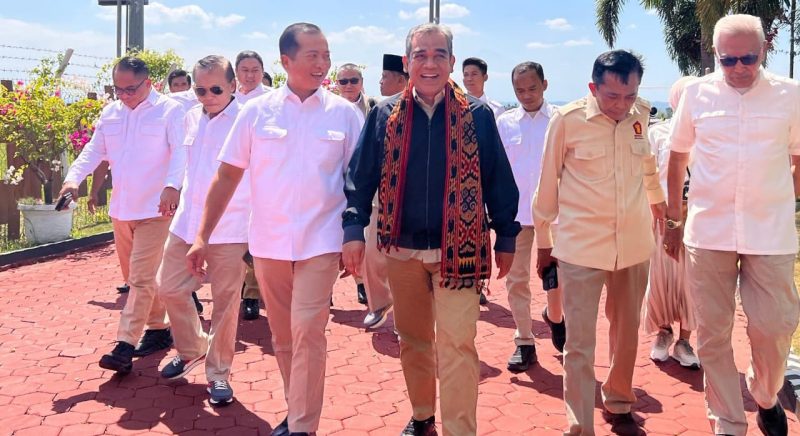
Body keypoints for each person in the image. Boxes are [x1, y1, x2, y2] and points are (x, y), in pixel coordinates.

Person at [343, 23, 520, 436]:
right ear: (407, 63)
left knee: (458, 344)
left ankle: (460, 430)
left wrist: (507, 236)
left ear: (452, 62)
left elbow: (498, 179)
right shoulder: (384, 115)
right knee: (414, 340)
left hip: (457, 253)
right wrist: (353, 228)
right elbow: (360, 177)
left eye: (439, 54)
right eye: (420, 55)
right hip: (401, 251)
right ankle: (422, 415)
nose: (430, 62)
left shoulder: (477, 116)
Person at [187, 23, 363, 436]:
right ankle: (295, 410)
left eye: (326, 55)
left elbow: (359, 181)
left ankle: (302, 426)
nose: (323, 64)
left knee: (308, 329)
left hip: (322, 240)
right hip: (268, 243)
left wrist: (359, 237)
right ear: (286, 61)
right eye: (312, 56)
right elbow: (226, 177)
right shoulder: (255, 112)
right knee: (283, 336)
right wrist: (202, 236)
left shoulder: (344, 113)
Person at [664, 14, 800, 436]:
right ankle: (728, 421)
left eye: (748, 58)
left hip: (770, 232)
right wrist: (673, 216)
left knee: (775, 325)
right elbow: (677, 156)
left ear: (763, 52)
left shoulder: (790, 95)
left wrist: (785, 196)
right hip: (709, 231)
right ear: (718, 57)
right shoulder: (698, 95)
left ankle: (765, 392)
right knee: (711, 335)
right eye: (728, 60)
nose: (739, 67)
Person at [533, 50, 666, 435]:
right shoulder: (568, 119)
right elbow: (546, 184)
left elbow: (647, 166)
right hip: (581, 247)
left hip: (634, 244)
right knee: (579, 343)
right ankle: (580, 425)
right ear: (593, 88)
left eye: (629, 96)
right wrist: (544, 241)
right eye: (611, 97)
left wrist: (660, 208)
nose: (621, 106)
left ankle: (619, 399)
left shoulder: (640, 113)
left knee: (626, 334)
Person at [60, 56, 187, 374]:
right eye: (118, 89)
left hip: (156, 210)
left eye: (131, 89)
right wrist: (73, 179)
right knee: (135, 278)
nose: (124, 95)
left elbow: (181, 152)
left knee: (141, 280)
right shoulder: (110, 113)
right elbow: (93, 150)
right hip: (122, 210)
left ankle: (124, 344)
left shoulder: (169, 110)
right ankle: (159, 330)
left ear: (149, 83)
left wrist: (173, 186)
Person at [156, 55, 250, 406]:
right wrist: (172, 187)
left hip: (230, 227)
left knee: (226, 304)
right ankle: (192, 348)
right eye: (200, 89)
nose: (207, 95)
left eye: (215, 89)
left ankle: (219, 374)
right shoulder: (191, 117)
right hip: (185, 223)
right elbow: (183, 164)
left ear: (232, 86)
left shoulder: (246, 121)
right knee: (168, 287)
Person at [495, 61, 565, 373]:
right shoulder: (505, 123)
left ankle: (556, 315)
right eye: (519, 90)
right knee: (516, 280)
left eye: (532, 88)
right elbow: (496, 171)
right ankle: (524, 341)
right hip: (517, 216)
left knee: (558, 278)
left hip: (558, 216)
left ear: (545, 85)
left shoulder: (561, 121)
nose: (526, 95)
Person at [644, 76, 700, 369]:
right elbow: (649, 173)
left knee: (692, 281)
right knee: (663, 276)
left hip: (699, 217)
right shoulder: (659, 133)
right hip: (663, 215)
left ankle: (685, 340)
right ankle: (663, 332)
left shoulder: (708, 132)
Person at [335, 63, 393, 327]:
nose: (348, 85)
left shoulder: (377, 107)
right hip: (337, 190)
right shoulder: (329, 110)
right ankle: (375, 300)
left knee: (376, 249)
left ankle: (378, 299)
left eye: (353, 80)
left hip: (375, 192)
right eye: (343, 81)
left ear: (361, 81)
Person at [234, 50, 271, 320]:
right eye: (245, 69)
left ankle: (252, 295)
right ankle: (238, 292)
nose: (250, 74)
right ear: (236, 72)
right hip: (231, 182)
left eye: (255, 69)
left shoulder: (270, 100)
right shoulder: (226, 98)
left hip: (261, 182)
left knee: (254, 243)